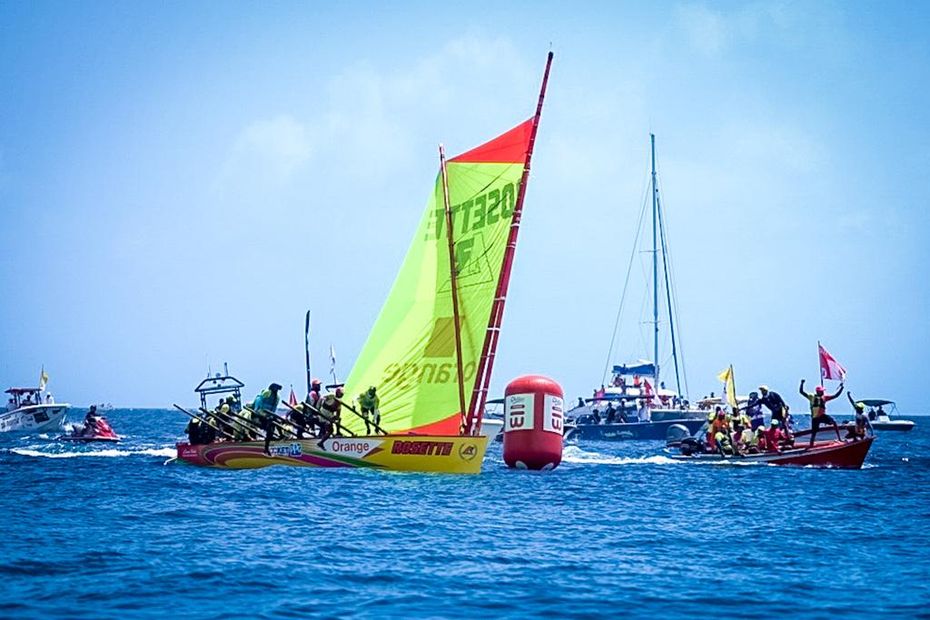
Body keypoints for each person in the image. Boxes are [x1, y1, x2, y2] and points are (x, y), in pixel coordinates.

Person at [799, 379, 843, 447]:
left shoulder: (824, 397)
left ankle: (839, 438)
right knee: (814, 433)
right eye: (822, 391)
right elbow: (801, 392)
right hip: (815, 418)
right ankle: (811, 445)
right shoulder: (811, 396)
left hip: (822, 416)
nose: (823, 392)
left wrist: (841, 388)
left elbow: (835, 396)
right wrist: (802, 383)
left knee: (834, 422)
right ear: (818, 392)